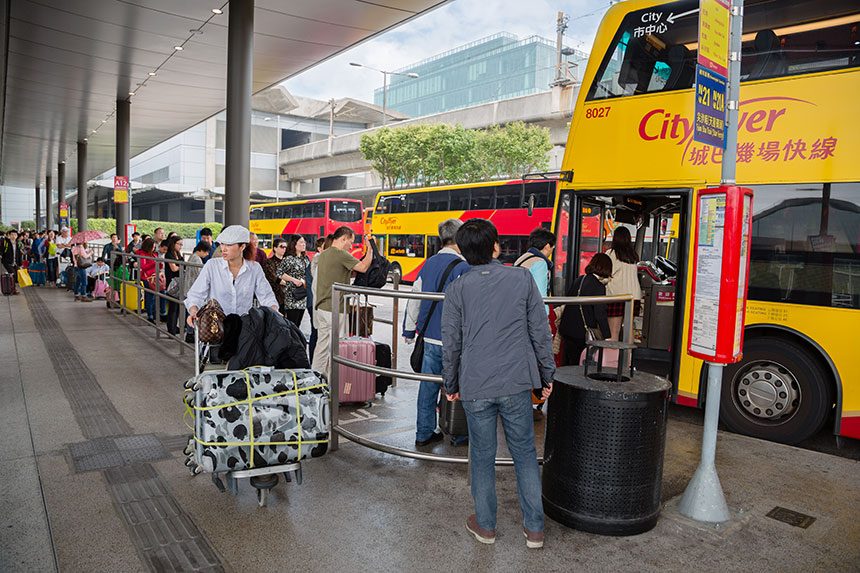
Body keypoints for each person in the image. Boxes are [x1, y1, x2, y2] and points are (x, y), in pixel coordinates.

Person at [441, 218, 554, 549]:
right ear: (496, 247)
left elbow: (452, 342)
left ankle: (486, 526)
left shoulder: (457, 288)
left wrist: (451, 382)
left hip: (476, 383)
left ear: (462, 251)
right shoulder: (521, 279)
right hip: (516, 380)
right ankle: (534, 528)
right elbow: (540, 332)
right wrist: (547, 375)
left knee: (482, 453)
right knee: (523, 452)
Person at [403, 219, 470, 447]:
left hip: (430, 338)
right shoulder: (463, 267)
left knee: (428, 387)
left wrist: (409, 331)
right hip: (455, 341)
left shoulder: (429, 263)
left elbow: (414, 298)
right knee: (457, 387)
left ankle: (424, 433)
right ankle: (459, 433)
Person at [185, 225, 279, 329]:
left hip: (244, 330)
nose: (223, 249)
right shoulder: (212, 266)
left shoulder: (254, 268)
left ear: (242, 247)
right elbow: (195, 295)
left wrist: (274, 311)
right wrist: (194, 311)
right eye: (222, 244)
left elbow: (266, 296)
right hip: (216, 328)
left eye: (229, 245)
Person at [311, 227, 373, 379]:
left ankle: (315, 380)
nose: (351, 246)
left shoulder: (323, 254)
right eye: (350, 242)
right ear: (343, 238)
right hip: (335, 308)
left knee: (322, 346)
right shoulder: (341, 254)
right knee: (336, 348)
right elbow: (363, 267)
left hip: (321, 307)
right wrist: (370, 248)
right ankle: (333, 384)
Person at [559, 253, 613, 366]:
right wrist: (607, 335)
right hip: (581, 332)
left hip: (567, 328)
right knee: (579, 363)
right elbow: (600, 313)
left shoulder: (579, 280)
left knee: (568, 362)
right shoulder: (598, 286)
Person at [605, 226, 642, 341]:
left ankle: (613, 358)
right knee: (629, 330)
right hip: (633, 297)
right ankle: (629, 358)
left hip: (617, 296)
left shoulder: (611, 254)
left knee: (614, 332)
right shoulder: (633, 255)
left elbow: (607, 274)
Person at [183, 241, 211, 342]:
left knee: (190, 312)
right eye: (206, 252)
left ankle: (190, 333)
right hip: (193, 290)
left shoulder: (192, 256)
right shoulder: (197, 260)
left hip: (188, 288)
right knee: (194, 313)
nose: (207, 254)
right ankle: (191, 334)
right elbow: (201, 275)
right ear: (201, 250)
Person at [307, 236, 330, 360]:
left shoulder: (318, 260)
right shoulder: (317, 261)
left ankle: (314, 360)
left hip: (316, 303)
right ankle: (313, 360)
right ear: (320, 248)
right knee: (316, 333)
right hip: (314, 303)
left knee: (317, 333)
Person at [280, 234, 309, 327]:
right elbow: (279, 273)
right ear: (294, 244)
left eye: (304, 242)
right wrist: (294, 280)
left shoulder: (305, 259)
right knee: (292, 325)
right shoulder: (288, 259)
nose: (304, 244)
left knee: (298, 324)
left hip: (303, 296)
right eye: (301, 242)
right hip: (292, 296)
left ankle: (295, 341)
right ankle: (290, 341)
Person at [164, 235, 184, 335]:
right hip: (172, 282)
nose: (180, 246)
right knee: (172, 306)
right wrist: (182, 266)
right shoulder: (169, 254)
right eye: (179, 244)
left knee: (177, 307)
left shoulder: (178, 254)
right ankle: (171, 329)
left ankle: (174, 326)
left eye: (181, 244)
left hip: (179, 282)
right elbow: (174, 268)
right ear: (173, 244)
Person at [136, 238, 159, 322]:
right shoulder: (142, 254)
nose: (153, 249)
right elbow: (143, 267)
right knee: (150, 296)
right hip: (147, 277)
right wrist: (154, 263)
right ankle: (150, 314)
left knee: (153, 296)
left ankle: (154, 313)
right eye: (152, 247)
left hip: (154, 277)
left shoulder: (154, 254)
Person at [1, 229, 22, 294]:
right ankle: (13, 290)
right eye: (12, 235)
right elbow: (1, 249)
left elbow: (19, 254)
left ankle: (11, 289)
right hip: (7, 262)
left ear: (17, 236)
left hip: (15, 263)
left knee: (15, 276)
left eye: (15, 235)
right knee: (13, 274)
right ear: (9, 235)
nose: (13, 236)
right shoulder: (6, 243)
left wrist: (20, 264)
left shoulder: (18, 243)